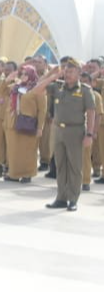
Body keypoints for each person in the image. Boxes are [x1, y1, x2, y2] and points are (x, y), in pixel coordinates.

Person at [33, 59, 95, 210]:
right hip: (58, 131)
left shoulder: (85, 90)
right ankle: (61, 198)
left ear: (79, 73)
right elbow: (37, 90)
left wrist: (89, 134)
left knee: (75, 167)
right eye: (66, 71)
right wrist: (54, 76)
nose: (67, 74)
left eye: (71, 71)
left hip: (75, 131)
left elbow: (91, 112)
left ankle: (73, 200)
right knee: (60, 166)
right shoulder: (57, 87)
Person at [1, 64, 47, 183]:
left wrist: (40, 127)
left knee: (28, 150)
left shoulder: (37, 89)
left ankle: (27, 174)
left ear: (32, 75)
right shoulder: (16, 86)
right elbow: (2, 91)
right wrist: (8, 79)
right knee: (13, 150)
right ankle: (14, 174)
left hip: (28, 123)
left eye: (26, 74)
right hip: (13, 122)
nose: (23, 76)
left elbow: (42, 110)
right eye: (21, 74)